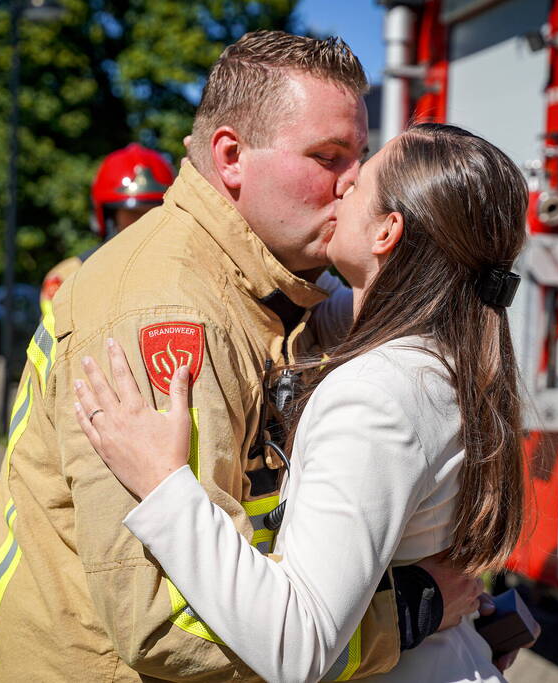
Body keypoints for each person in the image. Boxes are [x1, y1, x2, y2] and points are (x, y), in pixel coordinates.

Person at [0, 32, 482, 683]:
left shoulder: (266, 285)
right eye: (327, 156)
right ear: (231, 156)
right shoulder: (169, 312)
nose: (352, 184)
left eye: (360, 157)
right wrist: (407, 619)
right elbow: (167, 620)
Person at [71, 122, 531, 682]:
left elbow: (297, 645)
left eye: (358, 180)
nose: (340, 187)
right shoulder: (448, 352)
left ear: (386, 232)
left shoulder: (376, 395)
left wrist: (164, 486)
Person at [39, 143, 175, 315]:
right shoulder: (67, 278)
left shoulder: (184, 272)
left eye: (154, 213)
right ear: (110, 216)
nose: (145, 222)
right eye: (134, 213)